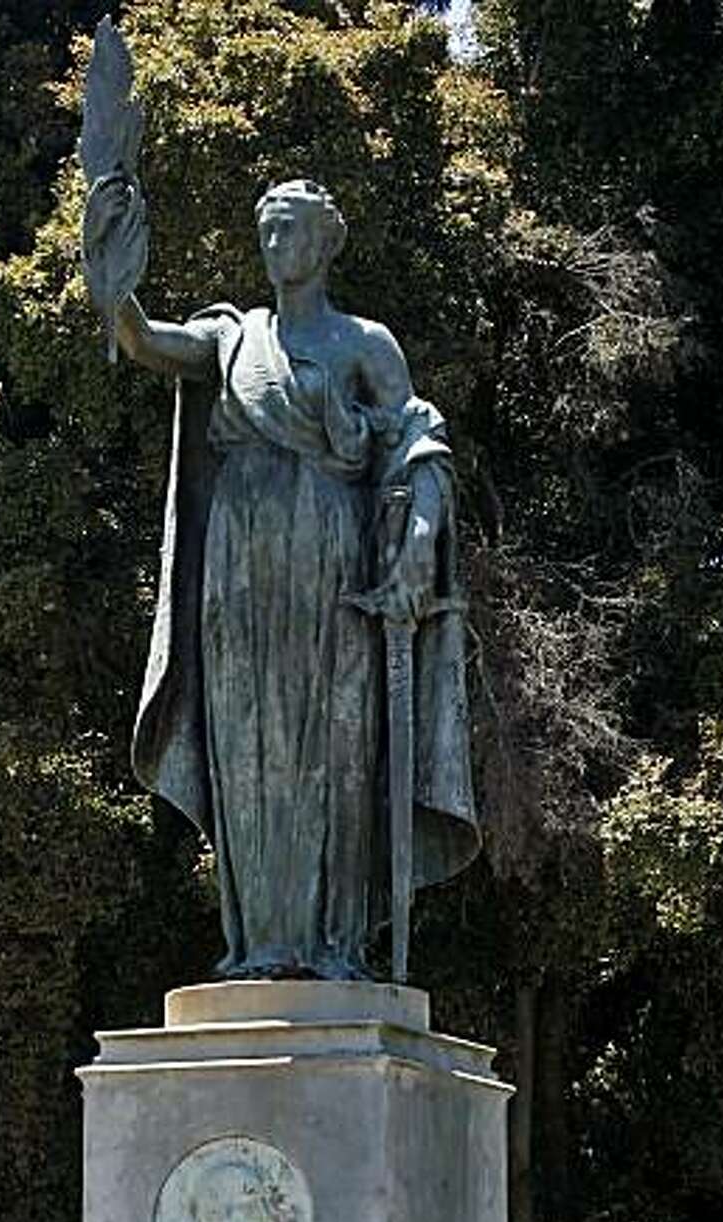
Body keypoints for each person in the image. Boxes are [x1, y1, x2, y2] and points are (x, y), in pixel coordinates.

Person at [85, 175, 479, 980]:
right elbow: (146, 342)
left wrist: (416, 545)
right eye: (266, 231)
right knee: (245, 737)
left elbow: (419, 446)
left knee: (333, 740)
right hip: (238, 553)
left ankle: (333, 944)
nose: (275, 246)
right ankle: (255, 944)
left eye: (290, 230)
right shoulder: (232, 337)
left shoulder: (366, 343)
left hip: (330, 551)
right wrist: (110, 273)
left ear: (326, 241)